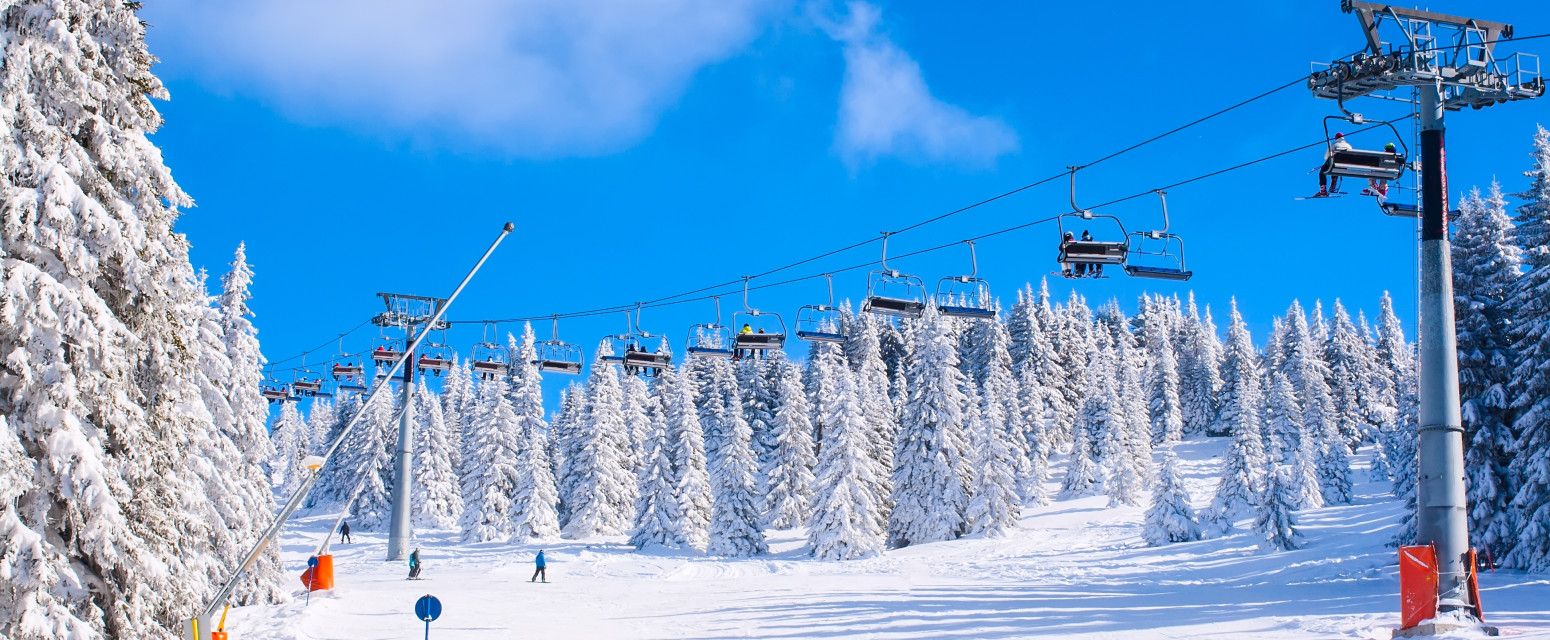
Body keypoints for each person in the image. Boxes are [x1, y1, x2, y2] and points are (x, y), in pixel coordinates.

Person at [1315, 132, 1353, 197]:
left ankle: (1323, 190)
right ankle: (1333, 183)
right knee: (1335, 167)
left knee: (1322, 171)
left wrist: (1326, 162)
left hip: (1334, 164)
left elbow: (1326, 156)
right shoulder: (1349, 146)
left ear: (1336, 138)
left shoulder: (1334, 145)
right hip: (1344, 166)